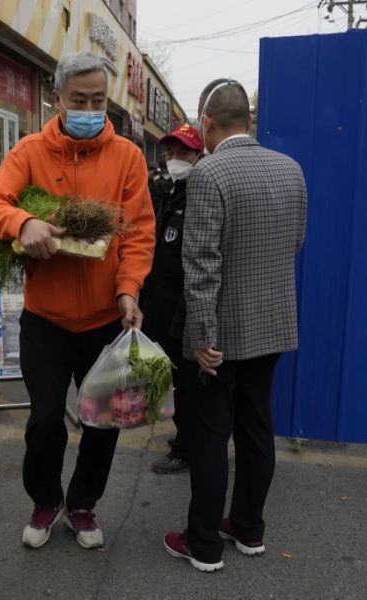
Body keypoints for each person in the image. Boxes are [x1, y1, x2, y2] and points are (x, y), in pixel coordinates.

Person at [0, 51, 155, 551]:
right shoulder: (29, 152)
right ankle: (45, 498)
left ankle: (82, 504)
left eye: (98, 100)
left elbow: (139, 233)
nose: (89, 109)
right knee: (44, 420)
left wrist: (128, 289)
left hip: (104, 320)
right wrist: (23, 223)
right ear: (56, 99)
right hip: (46, 321)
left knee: (103, 421)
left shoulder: (128, 157)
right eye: (79, 100)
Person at [162, 79, 307, 572]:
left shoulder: (210, 172)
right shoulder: (291, 169)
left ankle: (203, 544)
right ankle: (248, 529)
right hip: (272, 327)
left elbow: (200, 263)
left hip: (219, 337)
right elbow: (295, 242)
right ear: (248, 119)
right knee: (256, 428)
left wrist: (201, 338)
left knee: (208, 438)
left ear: (206, 122)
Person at [139, 123, 204, 475]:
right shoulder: (166, 190)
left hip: (183, 307)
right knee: (171, 376)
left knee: (187, 384)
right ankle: (185, 436)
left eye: (183, 153)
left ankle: (186, 449)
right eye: (170, 153)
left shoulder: (200, 194)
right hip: (157, 303)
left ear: (198, 156)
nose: (175, 159)